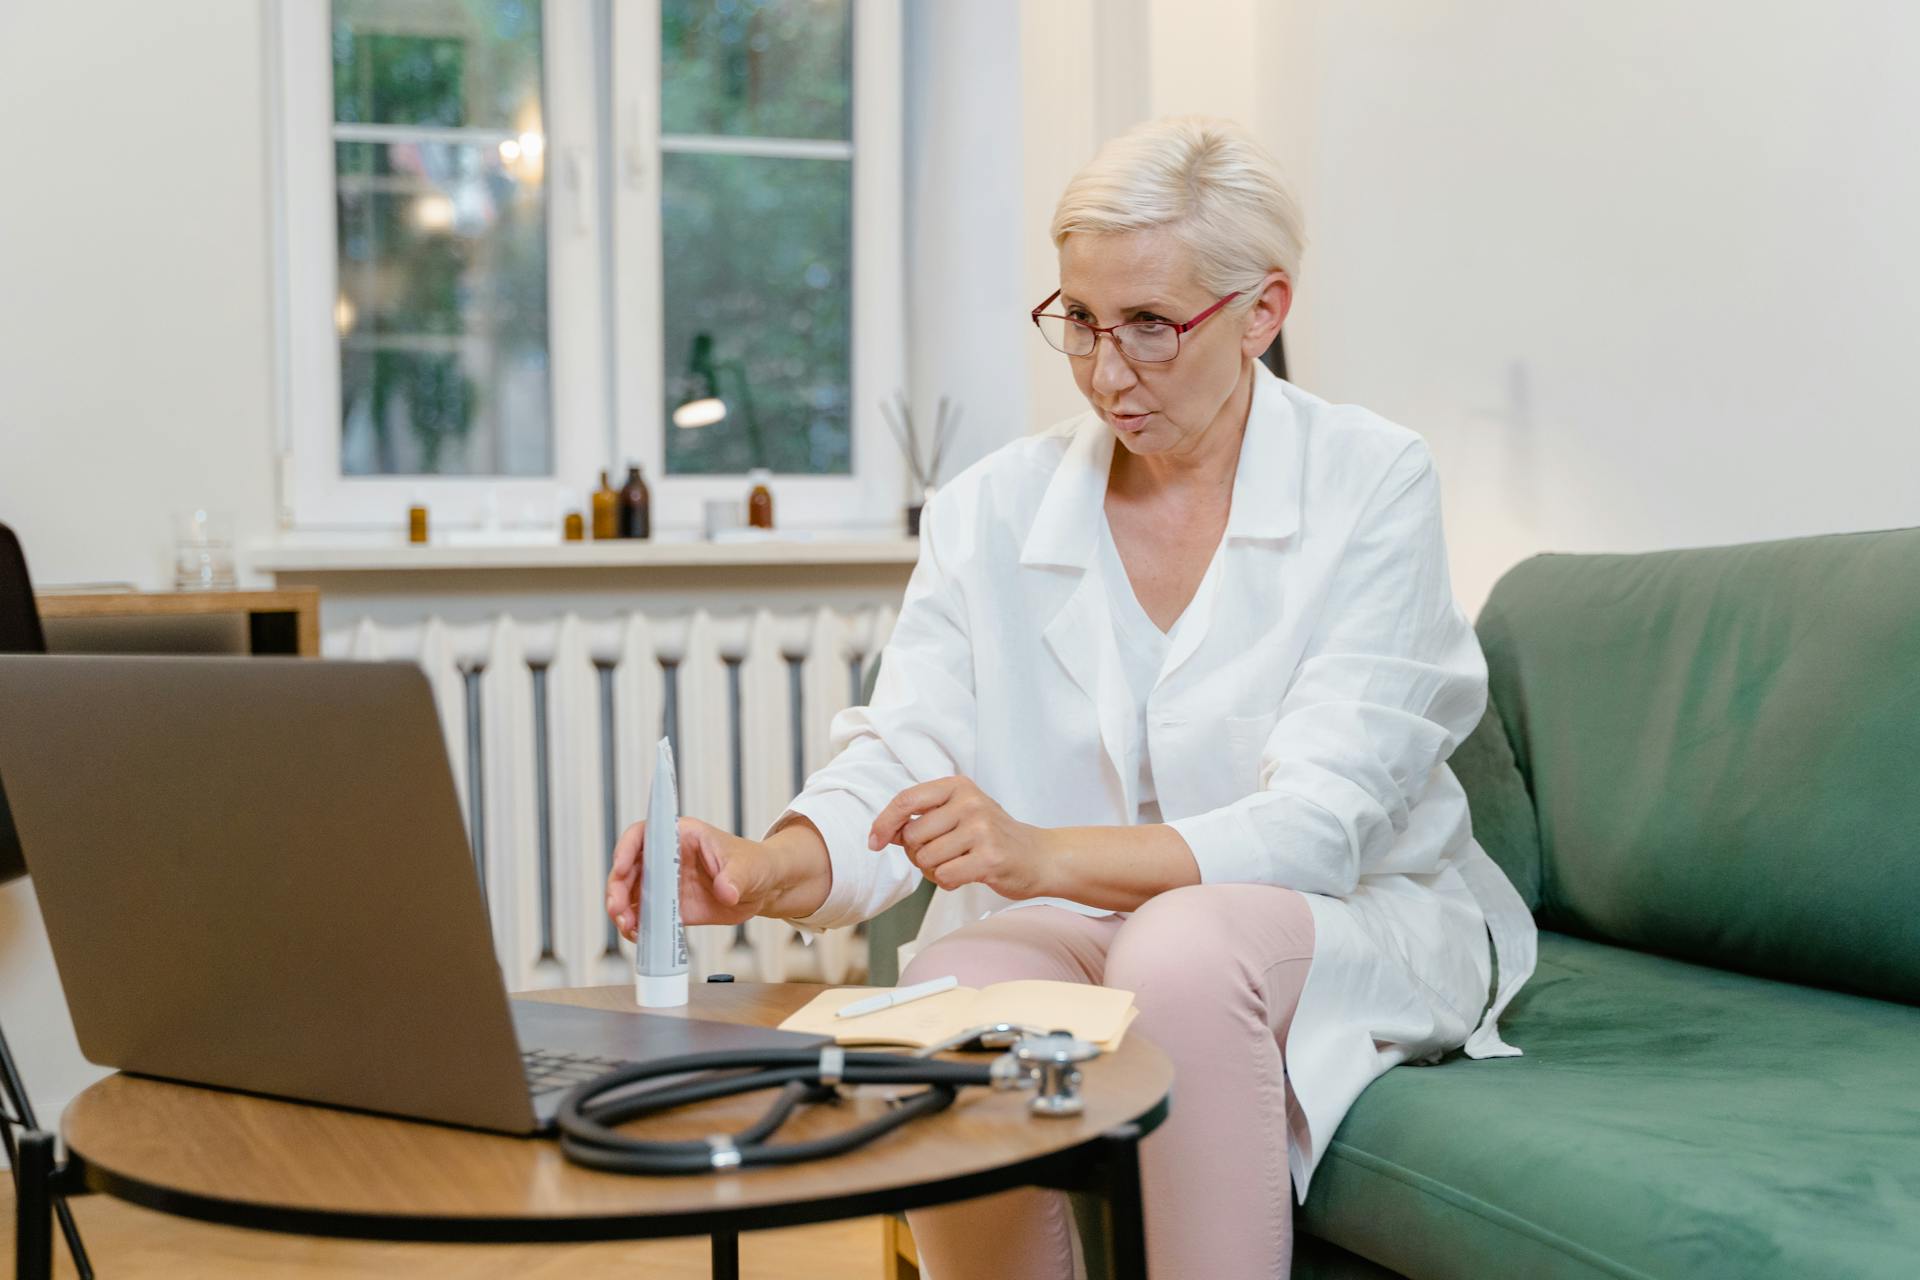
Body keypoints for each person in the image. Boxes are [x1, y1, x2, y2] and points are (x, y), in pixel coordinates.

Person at [606, 115, 1537, 1279]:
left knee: (1184, 949)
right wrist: (763, 866)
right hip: (1095, 928)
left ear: (1262, 312)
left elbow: (1317, 827)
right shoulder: (991, 506)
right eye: (1081, 320)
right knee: (948, 982)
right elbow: (903, 756)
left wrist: (1037, 853)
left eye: (1150, 323)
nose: (1106, 370)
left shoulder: (1373, 480)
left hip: (1341, 916)